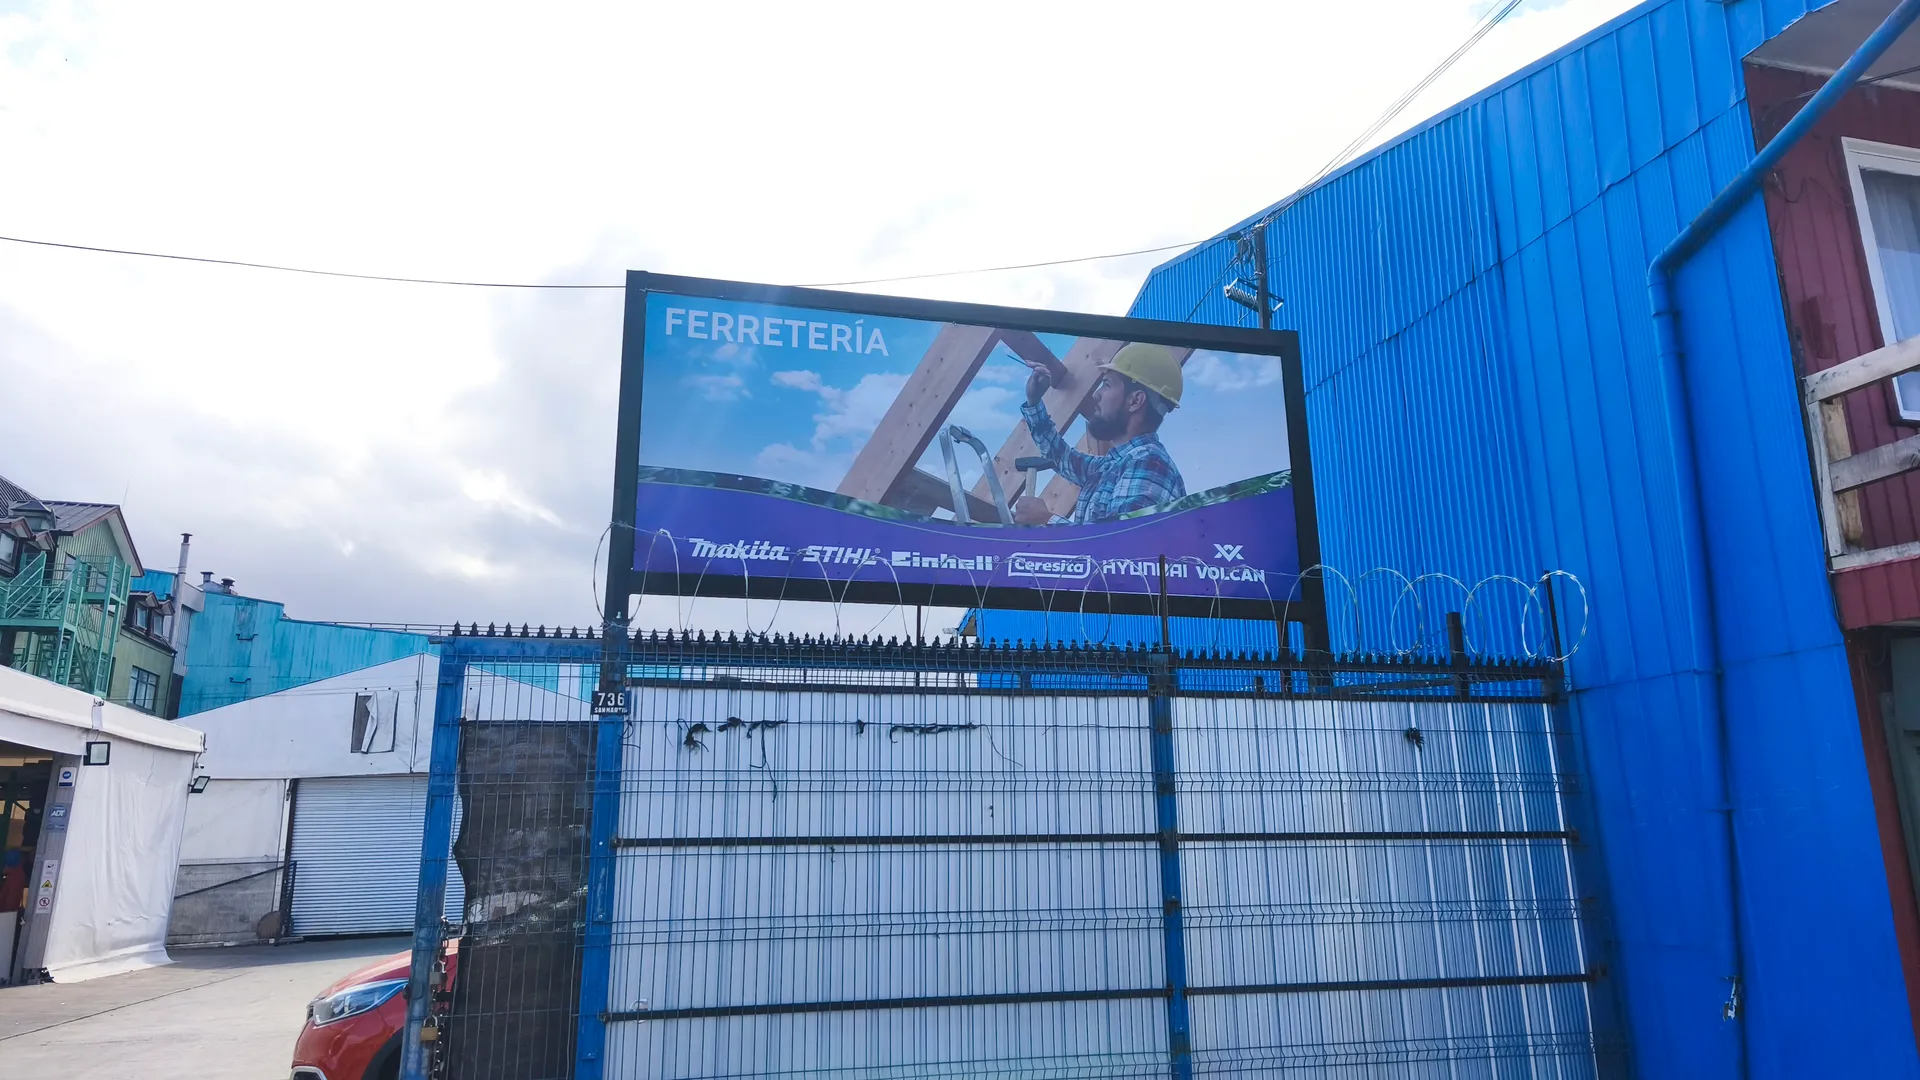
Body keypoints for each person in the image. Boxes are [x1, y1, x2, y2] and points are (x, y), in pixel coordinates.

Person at [1013, 342, 1186, 525]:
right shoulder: (1114, 466)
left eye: (1107, 385)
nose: (1096, 395)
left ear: (1135, 400)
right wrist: (1034, 402)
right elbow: (1060, 456)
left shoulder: (1149, 463)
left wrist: (1046, 520)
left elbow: (1119, 544)